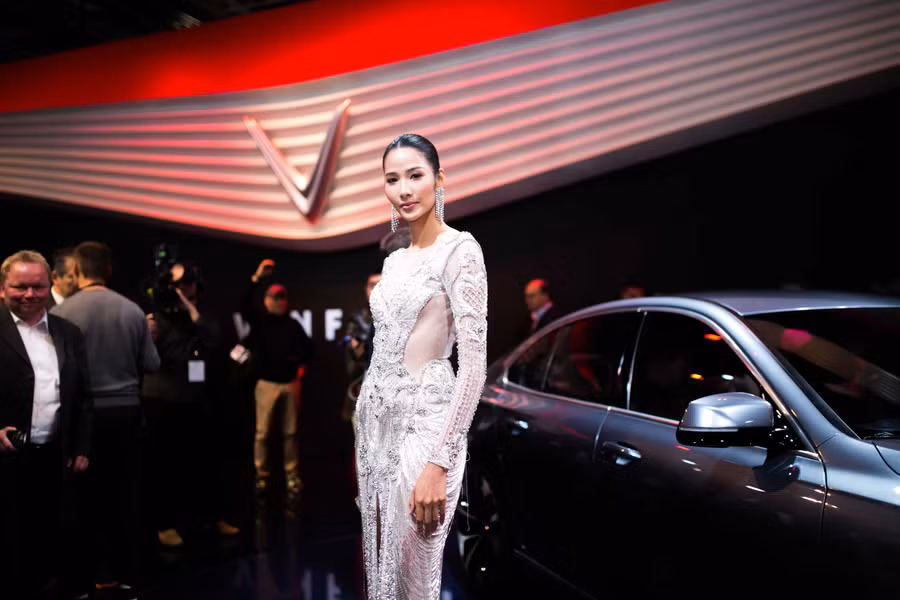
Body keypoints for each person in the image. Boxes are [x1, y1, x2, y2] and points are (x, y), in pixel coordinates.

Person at [355, 134, 488, 598]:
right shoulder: (394, 263)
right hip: (376, 434)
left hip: (426, 433)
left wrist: (440, 462)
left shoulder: (460, 250)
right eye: (392, 179)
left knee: (415, 581)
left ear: (439, 179)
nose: (404, 190)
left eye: (415, 175)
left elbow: (474, 367)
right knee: (381, 577)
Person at [51, 241, 160, 599]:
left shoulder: (63, 312)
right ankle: (132, 576)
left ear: (76, 270)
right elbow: (152, 364)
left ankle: (97, 574)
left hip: (84, 417)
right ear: (109, 270)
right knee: (128, 496)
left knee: (87, 498)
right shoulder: (132, 310)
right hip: (127, 413)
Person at [0, 250, 92, 600]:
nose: (30, 295)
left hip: (54, 457)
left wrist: (82, 446)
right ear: (2, 288)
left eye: (38, 286)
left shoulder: (68, 332)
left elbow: (83, 396)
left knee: (49, 537)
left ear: (49, 283)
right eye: (20, 287)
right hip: (6, 459)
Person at [143, 262, 240, 548]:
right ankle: (165, 524)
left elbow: (214, 338)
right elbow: (148, 359)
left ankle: (210, 517)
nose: (180, 289)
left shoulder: (204, 315)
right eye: (174, 284)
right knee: (166, 467)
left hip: (200, 400)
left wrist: (189, 308)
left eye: (185, 283)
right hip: (166, 402)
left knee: (206, 464)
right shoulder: (156, 317)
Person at [241, 261, 314, 506]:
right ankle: (261, 476)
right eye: (274, 297)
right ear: (266, 300)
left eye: (282, 297)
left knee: (290, 433)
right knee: (262, 433)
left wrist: (299, 368)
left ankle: (292, 476)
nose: (279, 301)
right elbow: (245, 306)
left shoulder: (293, 325)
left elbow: (308, 351)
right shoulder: (260, 322)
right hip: (266, 384)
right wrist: (256, 279)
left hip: (290, 384)